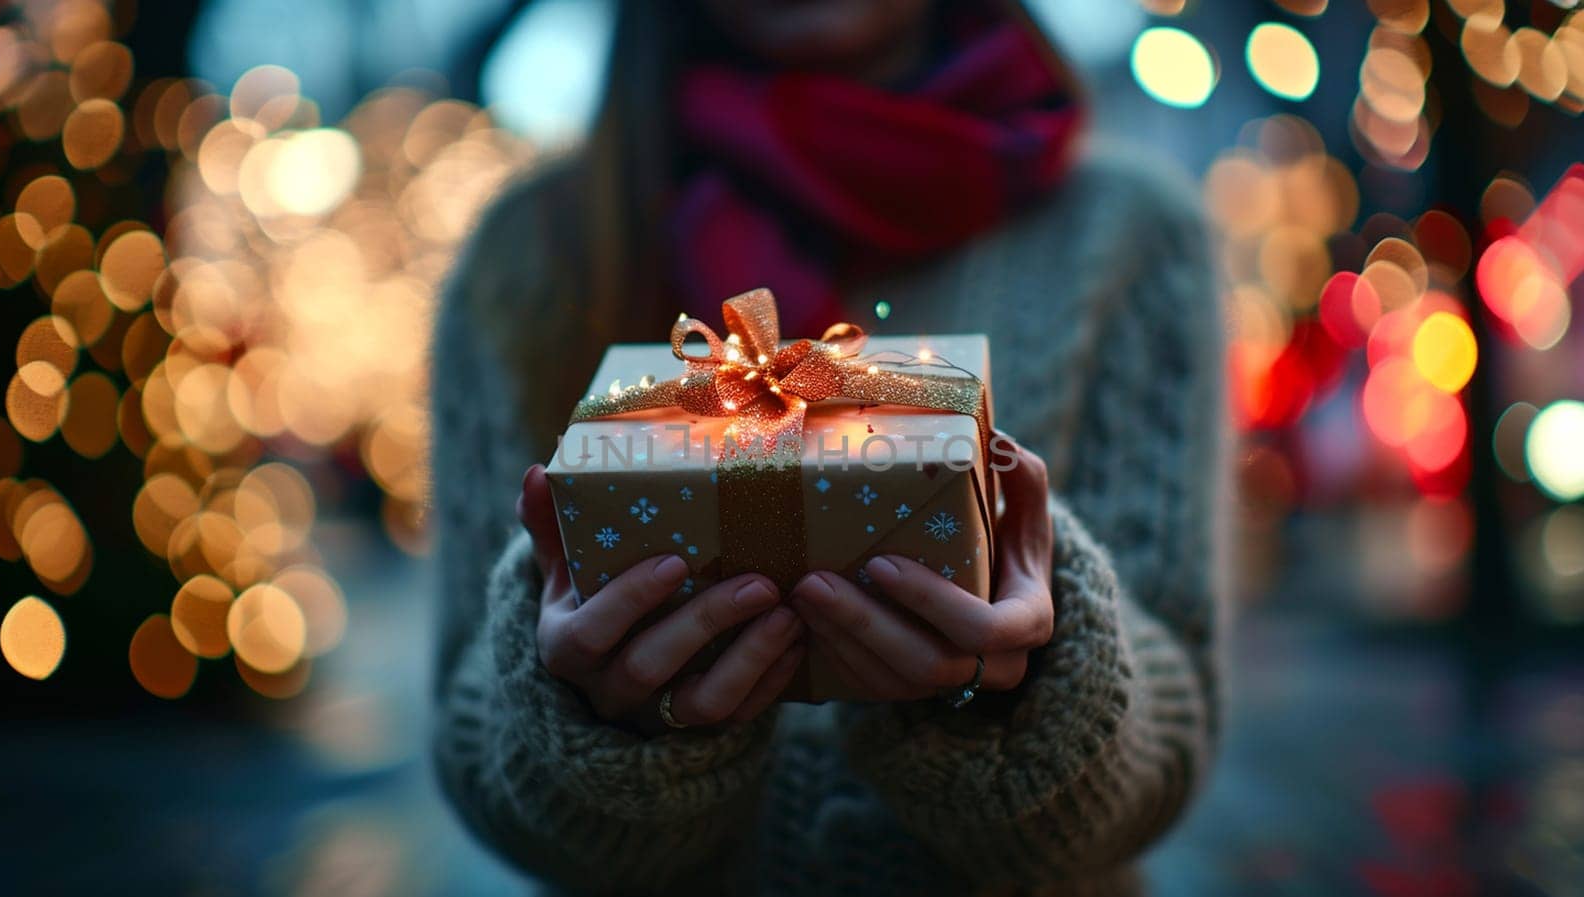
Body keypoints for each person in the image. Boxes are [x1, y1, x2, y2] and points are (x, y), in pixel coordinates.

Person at [431, 1, 1226, 894]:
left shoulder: (1128, 232)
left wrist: (1038, 690)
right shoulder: (531, 254)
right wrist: (587, 725)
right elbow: (468, 734)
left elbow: (1177, 728)